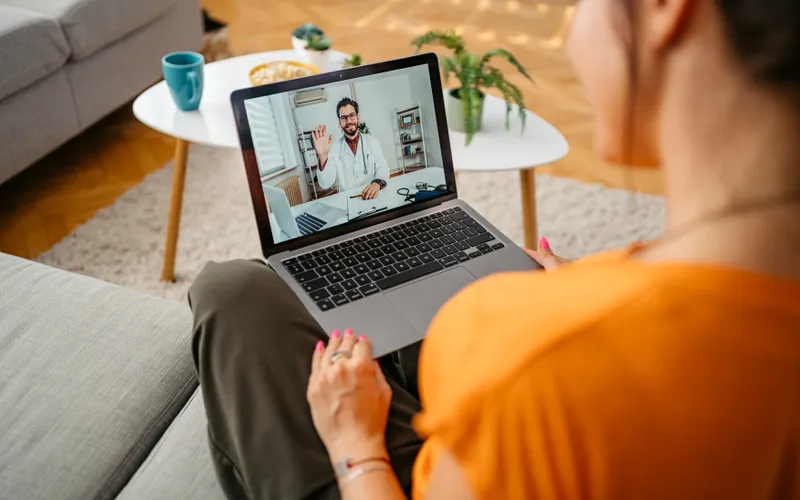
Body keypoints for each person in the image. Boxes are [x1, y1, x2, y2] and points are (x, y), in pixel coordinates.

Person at [189, 0, 800, 498]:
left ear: (667, 8)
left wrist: (356, 449)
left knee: (230, 292)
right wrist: (586, 286)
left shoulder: (521, 355)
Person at [312, 97, 390, 200]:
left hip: (372, 196)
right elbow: (325, 184)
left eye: (352, 115)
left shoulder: (372, 141)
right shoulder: (333, 148)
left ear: (358, 117)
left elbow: (383, 168)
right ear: (340, 123)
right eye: (344, 118)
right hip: (347, 200)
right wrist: (322, 156)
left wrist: (376, 184)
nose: (349, 121)